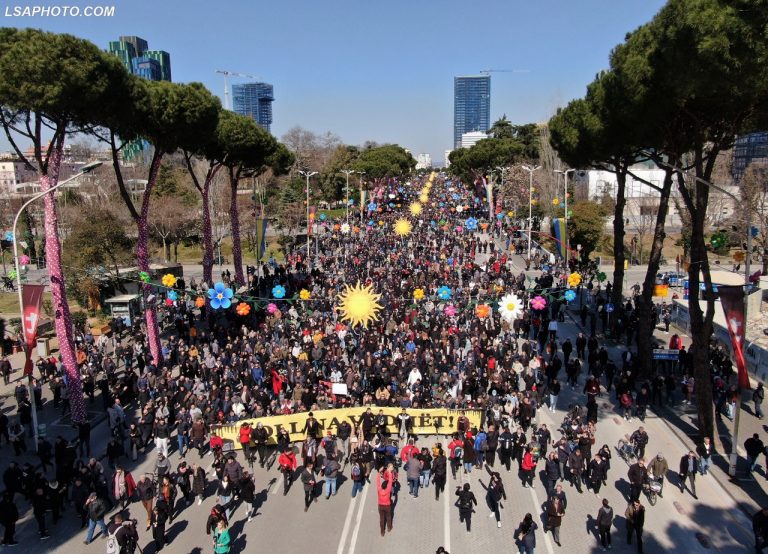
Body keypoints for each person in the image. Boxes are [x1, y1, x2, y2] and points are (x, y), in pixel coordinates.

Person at [377, 468, 394, 536]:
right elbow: (390, 481)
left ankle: (382, 532)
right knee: (389, 517)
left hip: (380, 506)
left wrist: (379, 472)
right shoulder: (388, 490)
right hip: (387, 506)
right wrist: (389, 473)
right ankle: (389, 528)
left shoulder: (379, 489)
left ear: (381, 486)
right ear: (386, 486)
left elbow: (377, 481)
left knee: (382, 519)